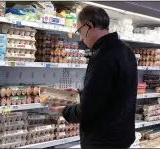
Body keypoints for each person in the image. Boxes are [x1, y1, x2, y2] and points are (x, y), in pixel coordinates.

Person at [50, 5, 138, 148]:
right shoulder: (125, 50)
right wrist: (80, 93)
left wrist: (64, 110)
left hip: (103, 141)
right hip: (122, 136)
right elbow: (110, 92)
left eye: (80, 31)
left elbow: (88, 110)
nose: (81, 38)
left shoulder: (102, 57)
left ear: (89, 26)